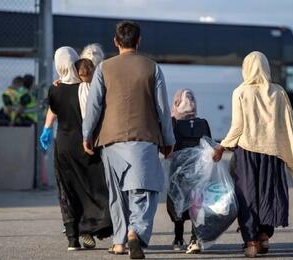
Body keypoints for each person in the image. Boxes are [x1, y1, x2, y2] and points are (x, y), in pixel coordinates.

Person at [82, 21, 175, 259]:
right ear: (139, 41)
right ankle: (136, 232)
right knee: (143, 191)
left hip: (110, 140)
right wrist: (168, 138)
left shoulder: (103, 68)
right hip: (144, 138)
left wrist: (87, 135)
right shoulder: (152, 68)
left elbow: (94, 106)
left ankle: (119, 241)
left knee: (117, 193)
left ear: (116, 41)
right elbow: (163, 108)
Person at [212, 51, 293, 258]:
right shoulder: (279, 92)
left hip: (246, 153)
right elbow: (288, 125)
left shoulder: (241, 92)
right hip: (272, 153)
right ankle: (264, 237)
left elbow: (237, 127)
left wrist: (222, 146)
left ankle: (251, 241)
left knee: (247, 197)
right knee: (268, 194)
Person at [40, 46, 112, 251]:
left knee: (67, 189)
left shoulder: (54, 89)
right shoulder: (86, 87)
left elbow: (53, 110)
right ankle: (95, 227)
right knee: (91, 186)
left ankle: (73, 238)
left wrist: (46, 129)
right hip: (85, 144)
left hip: (62, 145)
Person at [167, 89, 211, 254]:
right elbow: (209, 145)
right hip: (198, 171)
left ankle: (178, 238)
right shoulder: (203, 123)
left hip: (178, 172)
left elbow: (169, 148)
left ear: (177, 103)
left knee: (178, 201)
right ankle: (195, 238)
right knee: (196, 203)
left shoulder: (173, 123)